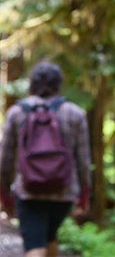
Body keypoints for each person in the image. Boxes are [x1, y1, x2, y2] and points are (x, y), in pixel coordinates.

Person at [0, 61, 91, 257]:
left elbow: (4, 160)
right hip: (64, 191)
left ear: (32, 83)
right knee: (50, 236)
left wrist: (4, 194)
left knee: (34, 244)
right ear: (58, 84)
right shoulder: (75, 113)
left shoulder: (16, 112)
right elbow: (83, 160)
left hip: (28, 191)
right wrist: (84, 194)